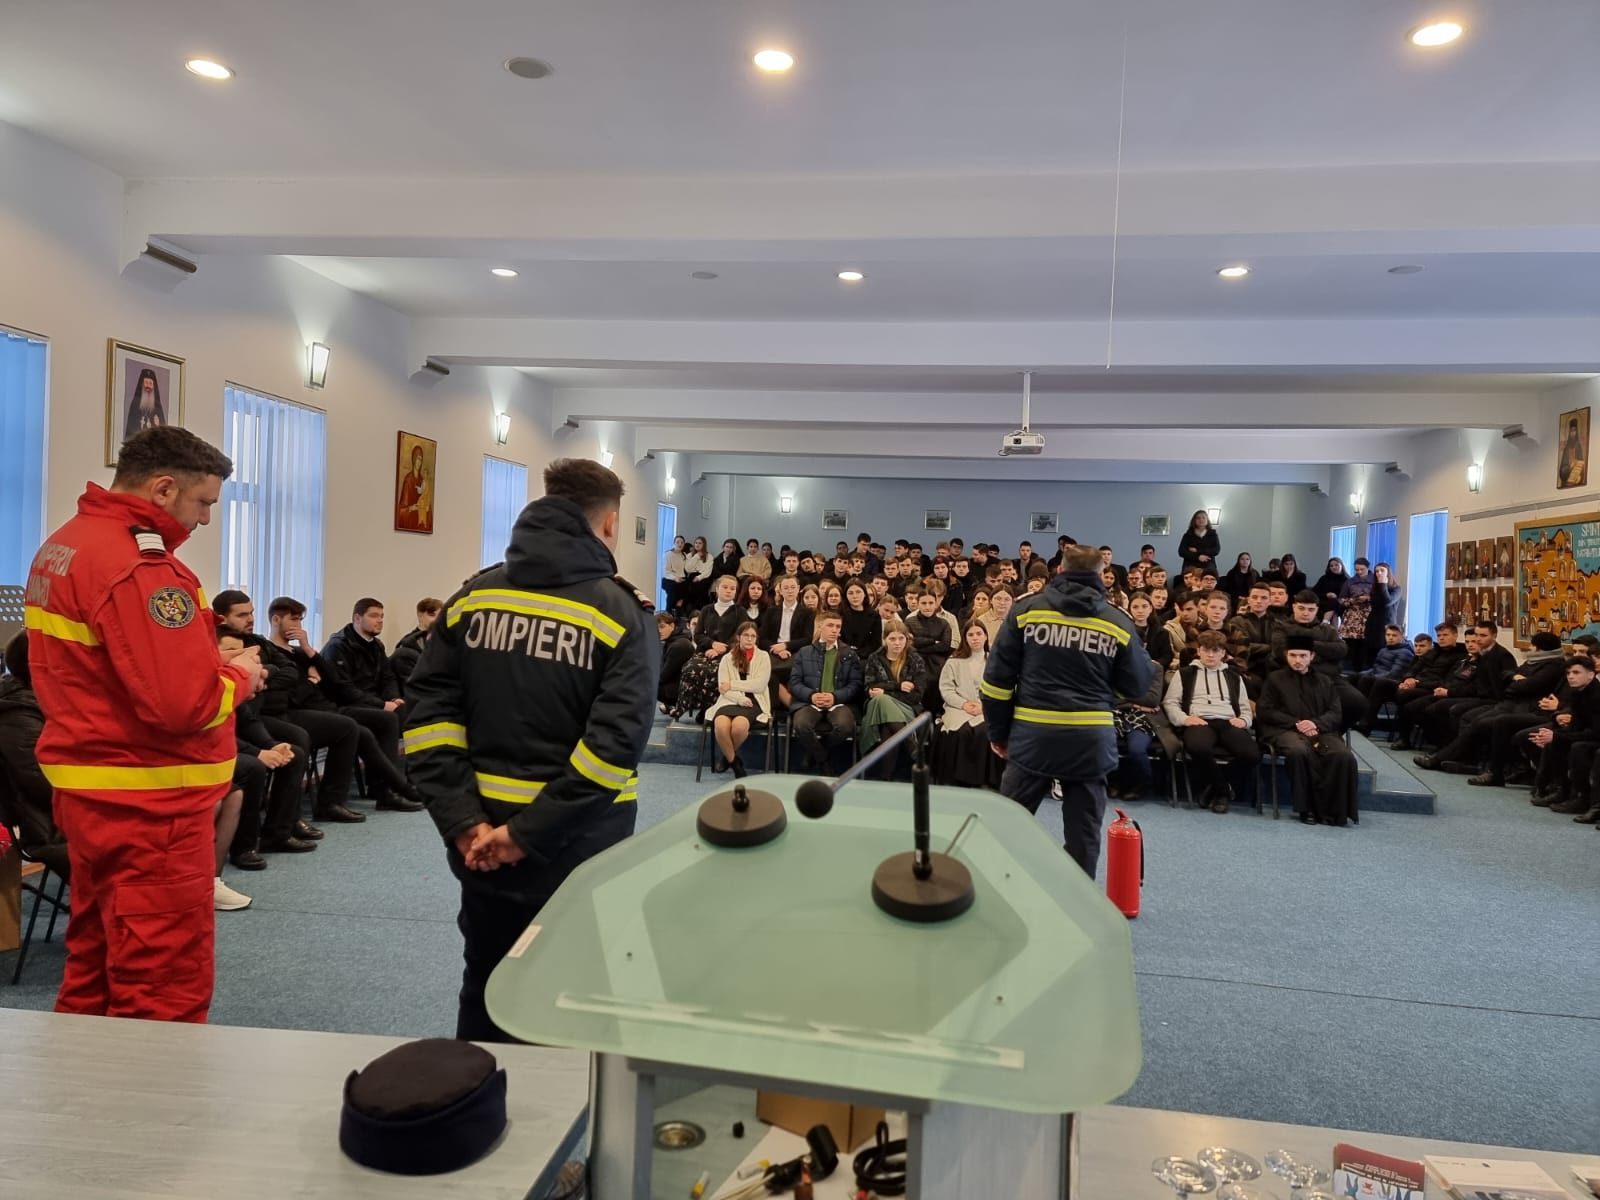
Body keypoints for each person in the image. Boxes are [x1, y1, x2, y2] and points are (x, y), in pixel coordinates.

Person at [403, 457, 656, 1042]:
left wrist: (464, 821)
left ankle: (476, 1088)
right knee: (572, 992)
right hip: (579, 841)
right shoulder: (622, 611)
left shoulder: (472, 597)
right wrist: (527, 835)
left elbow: (428, 719)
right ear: (610, 523)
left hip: (478, 839)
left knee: (488, 982)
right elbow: (613, 748)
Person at [24, 426, 263, 1022]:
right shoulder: (141, 567)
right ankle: (151, 1089)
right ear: (163, 489)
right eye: (203, 502)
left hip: (95, 793)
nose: (205, 518)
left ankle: (79, 1078)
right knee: (162, 985)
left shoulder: (66, 544)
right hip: (151, 808)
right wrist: (239, 677)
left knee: (95, 959)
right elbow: (182, 705)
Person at [982, 545, 1155, 878]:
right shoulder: (1118, 621)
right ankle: (1077, 903)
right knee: (1083, 837)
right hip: (1090, 742)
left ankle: (998, 891)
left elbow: (996, 683)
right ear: (1102, 575)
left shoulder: (1026, 610)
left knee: (1007, 827)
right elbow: (1137, 686)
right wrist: (1106, 690)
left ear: (1059, 571)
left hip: (1032, 738)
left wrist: (999, 734)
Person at [1257, 633, 1359, 826]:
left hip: (1321, 730)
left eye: (1303, 656)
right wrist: (1297, 723)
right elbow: (1266, 711)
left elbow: (1335, 712)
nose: (1298, 660)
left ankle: (1334, 811)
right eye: (1293, 655)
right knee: (1299, 751)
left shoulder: (1325, 681)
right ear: (1286, 655)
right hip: (1284, 730)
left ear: (1312, 656)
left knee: (1342, 755)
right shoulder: (1275, 679)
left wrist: (1315, 724)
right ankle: (1307, 809)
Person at [1163, 630, 1258, 813]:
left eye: (1216, 651)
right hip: (1199, 720)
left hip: (1229, 721)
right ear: (1199, 651)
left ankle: (1215, 787)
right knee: (1198, 747)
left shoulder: (1234, 675)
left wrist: (1244, 720)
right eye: (1206, 650)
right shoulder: (1185, 673)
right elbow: (1170, 702)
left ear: (1223, 653)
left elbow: (1244, 706)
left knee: (1252, 754)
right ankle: (1222, 793)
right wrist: (1184, 719)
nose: (1211, 655)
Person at [0, 631, 69, 882]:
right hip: (51, 828)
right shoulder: (19, 713)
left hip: (70, 816)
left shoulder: (42, 702)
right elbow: (43, 784)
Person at [789, 610, 864, 772]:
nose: (834, 630)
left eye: (838, 626)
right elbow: (794, 683)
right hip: (810, 701)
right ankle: (823, 761)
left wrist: (834, 697)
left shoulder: (849, 654)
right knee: (801, 725)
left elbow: (855, 684)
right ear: (820, 627)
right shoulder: (804, 652)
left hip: (838, 702)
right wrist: (812, 695)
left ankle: (814, 754)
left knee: (845, 726)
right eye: (830, 625)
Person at [933, 621, 1001, 789]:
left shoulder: (996, 661)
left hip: (986, 707)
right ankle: (958, 779)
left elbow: (1002, 688)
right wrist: (963, 704)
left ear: (986, 636)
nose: (975, 638)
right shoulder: (953, 661)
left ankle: (982, 780)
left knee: (983, 731)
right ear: (965, 638)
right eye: (970, 635)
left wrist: (984, 706)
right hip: (958, 707)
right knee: (962, 731)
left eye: (979, 634)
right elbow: (946, 689)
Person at [860, 620, 930, 776]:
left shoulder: (915, 659)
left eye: (901, 638)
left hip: (907, 709)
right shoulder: (875, 658)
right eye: (892, 639)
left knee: (887, 721)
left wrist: (885, 691)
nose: (897, 643)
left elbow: (916, 696)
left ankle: (886, 776)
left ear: (907, 638)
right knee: (881, 701)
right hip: (876, 709)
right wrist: (897, 686)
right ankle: (910, 743)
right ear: (885, 639)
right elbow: (869, 689)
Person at [707, 621, 771, 777]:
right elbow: (723, 687)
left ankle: (727, 756)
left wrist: (732, 684)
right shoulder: (727, 658)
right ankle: (735, 764)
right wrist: (738, 698)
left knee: (739, 727)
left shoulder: (763, 656)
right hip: (730, 700)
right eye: (746, 635)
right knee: (721, 725)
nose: (749, 639)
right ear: (738, 637)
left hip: (753, 701)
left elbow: (759, 686)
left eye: (753, 636)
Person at [391, 597, 443, 695]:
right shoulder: (407, 644)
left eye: (440, 616)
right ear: (420, 615)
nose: (437, 619)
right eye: (432, 615)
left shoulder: (443, 640)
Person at [1338, 559, 1375, 672]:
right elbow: (1341, 599)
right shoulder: (1350, 582)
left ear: (1368, 568)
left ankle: (1364, 666)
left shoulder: (1375, 581)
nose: (1359, 572)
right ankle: (1350, 666)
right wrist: (1352, 601)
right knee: (1351, 643)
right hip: (1353, 614)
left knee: (1366, 642)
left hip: (1369, 613)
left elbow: (1380, 597)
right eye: (1357, 570)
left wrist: (1368, 598)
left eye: (1362, 569)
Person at [1363, 563, 1403, 665]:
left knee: (1383, 652)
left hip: (1386, 624)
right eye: (1377, 571)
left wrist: (1383, 584)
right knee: (1370, 652)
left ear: (1388, 573)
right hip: (1373, 623)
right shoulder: (1374, 589)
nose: (1379, 573)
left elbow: (1387, 602)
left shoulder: (1396, 589)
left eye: (1382, 570)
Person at [657, 611, 695, 715]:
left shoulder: (678, 646)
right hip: (682, 686)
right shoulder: (675, 641)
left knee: (648, 684)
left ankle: (674, 704)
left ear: (672, 626)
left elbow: (664, 675)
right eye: (656, 628)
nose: (659, 631)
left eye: (662, 627)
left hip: (685, 691)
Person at [396, 444, 430, 531]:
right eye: (418, 459)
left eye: (421, 460)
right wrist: (411, 508)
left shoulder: (423, 480)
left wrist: (426, 506)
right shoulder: (408, 480)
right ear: (414, 459)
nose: (419, 462)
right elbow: (401, 511)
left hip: (421, 518)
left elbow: (427, 496)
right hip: (410, 520)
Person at [1311, 558, 1349, 625]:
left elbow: (1347, 594)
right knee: (1333, 609)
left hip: (1339, 602)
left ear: (1341, 565)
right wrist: (1326, 595)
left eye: (1336, 565)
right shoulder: (1324, 578)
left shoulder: (1347, 579)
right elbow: (1314, 591)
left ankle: (1324, 624)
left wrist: (1337, 597)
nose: (1334, 567)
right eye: (1331, 566)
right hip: (1323, 601)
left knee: (1334, 604)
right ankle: (1330, 628)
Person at [661, 534, 689, 614]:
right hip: (669, 579)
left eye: (682, 543)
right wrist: (675, 578)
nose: (680, 544)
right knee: (673, 589)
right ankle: (668, 611)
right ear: (674, 543)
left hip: (681, 578)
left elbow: (688, 568)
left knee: (688, 587)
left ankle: (678, 608)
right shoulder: (668, 554)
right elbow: (666, 571)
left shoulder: (684, 555)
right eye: (678, 542)